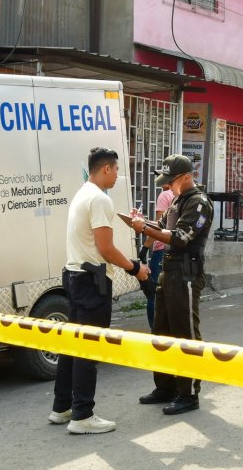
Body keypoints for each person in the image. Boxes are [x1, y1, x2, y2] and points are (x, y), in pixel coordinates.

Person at [50, 147, 150, 435]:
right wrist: (135, 268)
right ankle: (82, 415)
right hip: (91, 282)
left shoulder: (82, 194)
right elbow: (105, 248)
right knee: (88, 348)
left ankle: (61, 407)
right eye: (117, 169)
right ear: (106, 169)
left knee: (73, 345)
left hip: (75, 277)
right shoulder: (99, 199)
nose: (118, 175)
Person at [131, 154, 214, 415]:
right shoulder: (178, 200)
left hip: (186, 273)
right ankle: (165, 387)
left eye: (171, 180)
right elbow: (162, 226)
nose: (167, 186)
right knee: (161, 332)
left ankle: (188, 394)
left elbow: (180, 237)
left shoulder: (199, 203)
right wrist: (141, 223)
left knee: (185, 333)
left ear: (187, 177)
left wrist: (145, 229)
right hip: (169, 271)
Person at [143, 186, 175, 328]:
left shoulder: (164, 196)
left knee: (154, 293)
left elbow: (158, 228)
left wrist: (144, 248)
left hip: (161, 251)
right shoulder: (183, 198)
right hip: (176, 252)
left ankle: (155, 330)